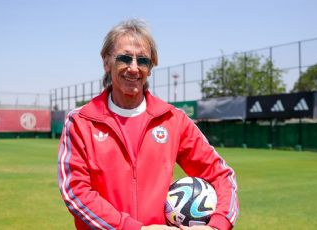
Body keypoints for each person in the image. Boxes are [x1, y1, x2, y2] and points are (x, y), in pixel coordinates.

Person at [57, 19, 239, 230]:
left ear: (151, 67)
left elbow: (220, 175)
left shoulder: (173, 119)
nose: (134, 68)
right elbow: (75, 191)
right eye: (124, 58)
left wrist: (217, 224)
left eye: (143, 60)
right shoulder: (81, 121)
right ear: (106, 62)